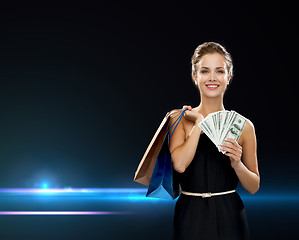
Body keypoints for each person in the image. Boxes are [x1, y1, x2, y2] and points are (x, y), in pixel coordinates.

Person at [169, 42, 260, 240]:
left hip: (231, 215)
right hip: (190, 215)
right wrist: (200, 124)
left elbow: (253, 186)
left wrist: (237, 164)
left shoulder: (244, 126)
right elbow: (180, 165)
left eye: (219, 71)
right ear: (195, 76)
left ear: (229, 76)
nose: (212, 78)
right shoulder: (179, 118)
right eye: (205, 71)